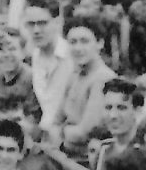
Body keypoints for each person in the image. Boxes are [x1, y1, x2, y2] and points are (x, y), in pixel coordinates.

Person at [48, 21, 114, 156]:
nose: (78, 48)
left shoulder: (102, 78)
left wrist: (60, 132)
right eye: (73, 42)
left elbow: (84, 133)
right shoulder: (74, 76)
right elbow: (55, 121)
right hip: (66, 150)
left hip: (86, 156)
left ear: (99, 43)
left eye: (84, 41)